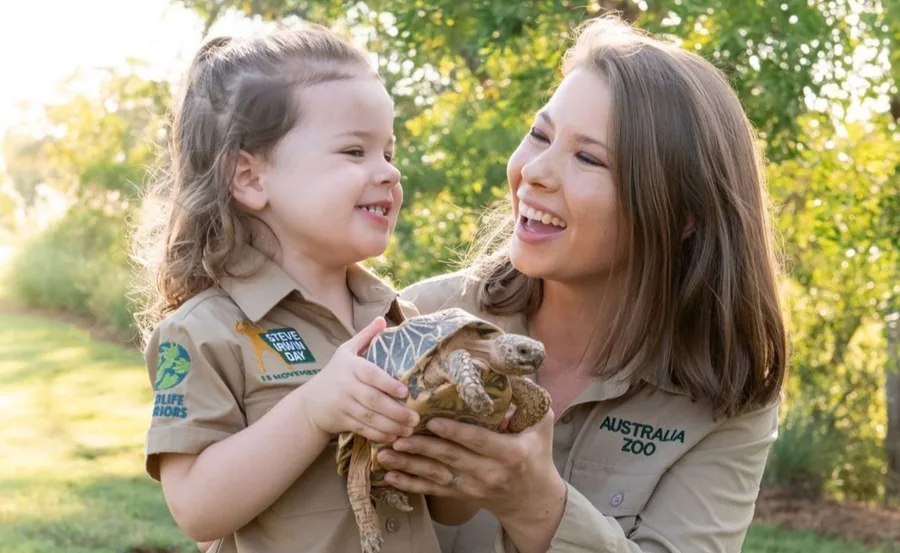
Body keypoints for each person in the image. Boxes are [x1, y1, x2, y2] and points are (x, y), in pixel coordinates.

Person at [378, 14, 788, 553]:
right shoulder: (416, 318)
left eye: (588, 158)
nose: (535, 172)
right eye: (539, 135)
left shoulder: (730, 393)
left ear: (684, 215)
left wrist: (536, 506)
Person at [131, 25, 444, 553]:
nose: (388, 172)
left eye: (389, 152)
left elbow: (446, 509)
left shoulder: (399, 321)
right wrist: (314, 409)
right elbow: (197, 510)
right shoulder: (202, 331)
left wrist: (469, 440)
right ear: (250, 178)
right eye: (354, 151)